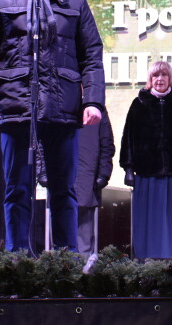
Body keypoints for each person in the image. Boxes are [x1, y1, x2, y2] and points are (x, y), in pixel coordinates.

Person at [0, 0, 105, 252]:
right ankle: (17, 257)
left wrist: (93, 100)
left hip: (62, 108)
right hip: (16, 105)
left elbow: (92, 54)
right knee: (17, 189)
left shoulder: (74, 1)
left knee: (64, 190)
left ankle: (66, 258)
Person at [119, 61, 172, 259]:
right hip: (147, 176)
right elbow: (128, 138)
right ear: (150, 79)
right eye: (155, 75)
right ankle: (146, 261)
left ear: (170, 78)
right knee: (147, 219)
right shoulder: (138, 104)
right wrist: (128, 169)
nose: (160, 79)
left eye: (164, 75)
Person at [76, 107, 115, 261]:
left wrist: (103, 174)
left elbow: (107, 144)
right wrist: (43, 171)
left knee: (85, 236)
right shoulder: (59, 102)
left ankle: (84, 268)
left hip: (88, 178)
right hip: (62, 177)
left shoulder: (97, 110)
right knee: (60, 233)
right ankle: (61, 268)